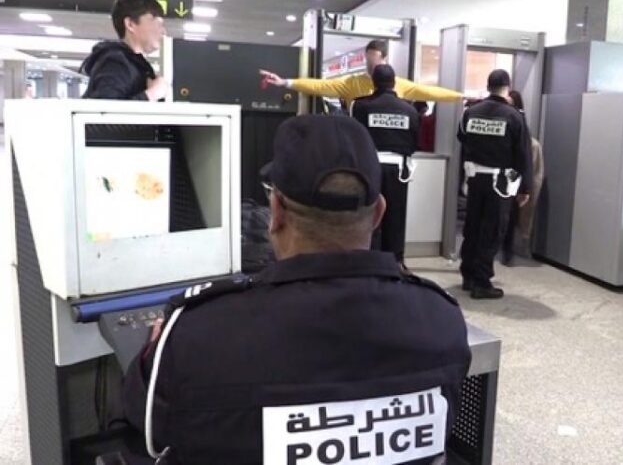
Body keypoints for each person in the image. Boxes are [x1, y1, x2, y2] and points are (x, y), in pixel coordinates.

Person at [123, 115, 471, 464]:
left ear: (275, 212)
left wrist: (159, 350)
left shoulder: (197, 334)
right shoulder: (442, 320)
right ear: (379, 213)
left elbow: (143, 431)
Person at [457, 70, 532, 299]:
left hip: (474, 179)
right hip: (499, 183)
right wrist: (524, 188)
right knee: (492, 230)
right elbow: (523, 153)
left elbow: (462, 138)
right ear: (507, 87)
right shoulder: (514, 116)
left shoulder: (470, 112)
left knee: (472, 227)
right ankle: (482, 282)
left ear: (488, 86)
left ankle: (468, 276)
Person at [260, 40, 464, 106]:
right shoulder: (352, 83)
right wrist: (286, 82)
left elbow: (428, 92)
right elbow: (320, 85)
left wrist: (460, 97)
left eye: (375, 60)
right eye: (368, 60)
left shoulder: (400, 84)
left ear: (385, 59)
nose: (371, 65)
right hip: (360, 144)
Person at [352, 64, 420, 264]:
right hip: (398, 169)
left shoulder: (360, 105)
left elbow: (356, 138)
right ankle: (395, 262)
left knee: (369, 216)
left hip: (369, 167)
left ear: (373, 82)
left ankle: (369, 261)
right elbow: (414, 142)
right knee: (396, 217)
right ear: (394, 82)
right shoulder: (410, 109)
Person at [80, 0, 167, 101]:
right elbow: (104, 108)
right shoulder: (115, 63)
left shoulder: (135, 65)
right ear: (130, 24)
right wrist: (152, 94)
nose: (163, 31)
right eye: (157, 23)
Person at [501, 90, 544, 263]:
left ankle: (508, 250)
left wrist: (521, 185)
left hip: (512, 174)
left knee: (511, 212)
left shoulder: (522, 128)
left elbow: (524, 160)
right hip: (501, 173)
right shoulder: (506, 120)